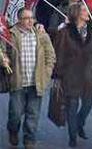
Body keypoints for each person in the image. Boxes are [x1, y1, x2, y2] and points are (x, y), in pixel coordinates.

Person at [0, 8, 56, 149]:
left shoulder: (42, 35)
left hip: (36, 83)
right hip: (18, 82)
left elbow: (51, 56)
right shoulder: (11, 35)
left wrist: (47, 73)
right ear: (19, 20)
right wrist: (3, 60)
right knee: (16, 114)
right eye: (26, 18)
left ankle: (29, 140)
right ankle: (13, 130)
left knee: (33, 114)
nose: (30, 21)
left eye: (32, 18)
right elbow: (3, 52)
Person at [54, 2, 92, 147]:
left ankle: (79, 123)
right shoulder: (65, 32)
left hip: (88, 76)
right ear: (77, 14)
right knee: (72, 106)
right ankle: (72, 136)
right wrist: (58, 76)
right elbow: (59, 54)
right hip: (70, 76)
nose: (88, 12)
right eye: (84, 10)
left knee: (88, 104)